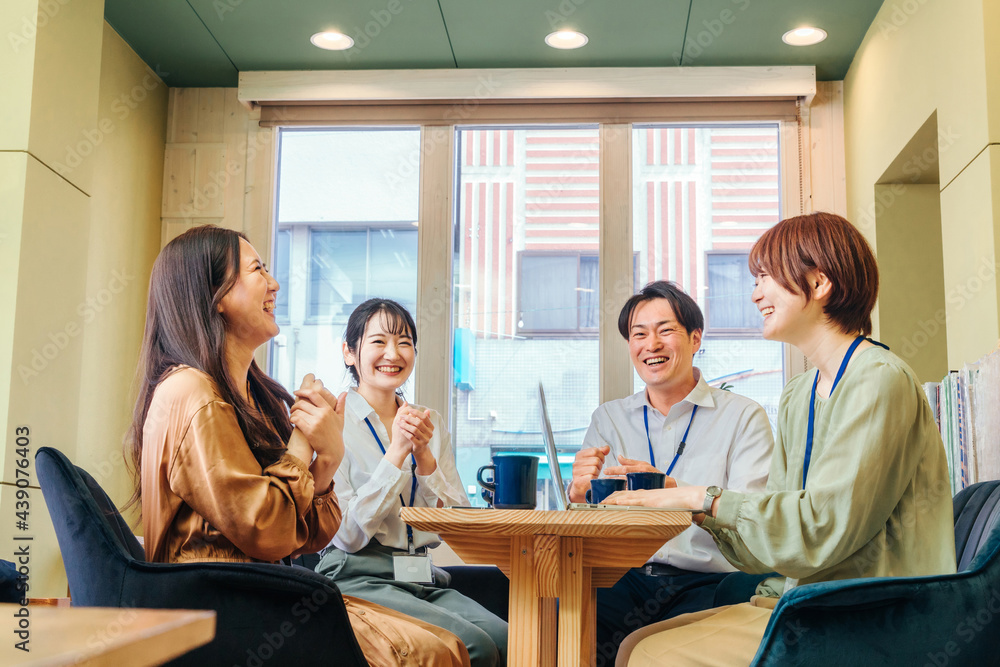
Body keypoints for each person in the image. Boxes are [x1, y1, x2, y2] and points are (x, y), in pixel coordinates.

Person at [606, 212, 957, 666]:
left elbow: (820, 528)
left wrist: (704, 496)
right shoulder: (799, 394)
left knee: (651, 656)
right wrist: (685, 500)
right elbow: (772, 546)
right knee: (633, 645)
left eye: (766, 277)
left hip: (870, 614)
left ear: (820, 282)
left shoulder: (878, 380)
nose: (755, 294)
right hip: (803, 602)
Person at [125, 225, 470, 667]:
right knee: (435, 654)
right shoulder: (192, 391)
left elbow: (304, 535)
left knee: (452, 647)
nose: (275, 282)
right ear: (215, 295)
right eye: (257, 269)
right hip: (226, 607)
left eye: (405, 342)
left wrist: (325, 459)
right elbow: (270, 530)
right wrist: (308, 445)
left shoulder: (253, 393)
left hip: (268, 592)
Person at [567, 280, 775, 665]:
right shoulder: (609, 418)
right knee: (558, 628)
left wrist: (673, 490)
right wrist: (580, 497)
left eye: (666, 331)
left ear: (695, 339)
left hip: (708, 580)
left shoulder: (743, 416)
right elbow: (590, 522)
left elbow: (755, 517)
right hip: (621, 579)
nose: (652, 344)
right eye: (639, 334)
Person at [315, 298, 508, 667]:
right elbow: (348, 536)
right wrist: (396, 454)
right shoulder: (334, 423)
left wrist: (425, 459)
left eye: (404, 342)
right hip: (357, 575)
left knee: (508, 638)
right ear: (349, 352)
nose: (393, 352)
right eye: (378, 341)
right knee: (474, 646)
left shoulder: (428, 421)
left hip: (421, 574)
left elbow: (456, 522)